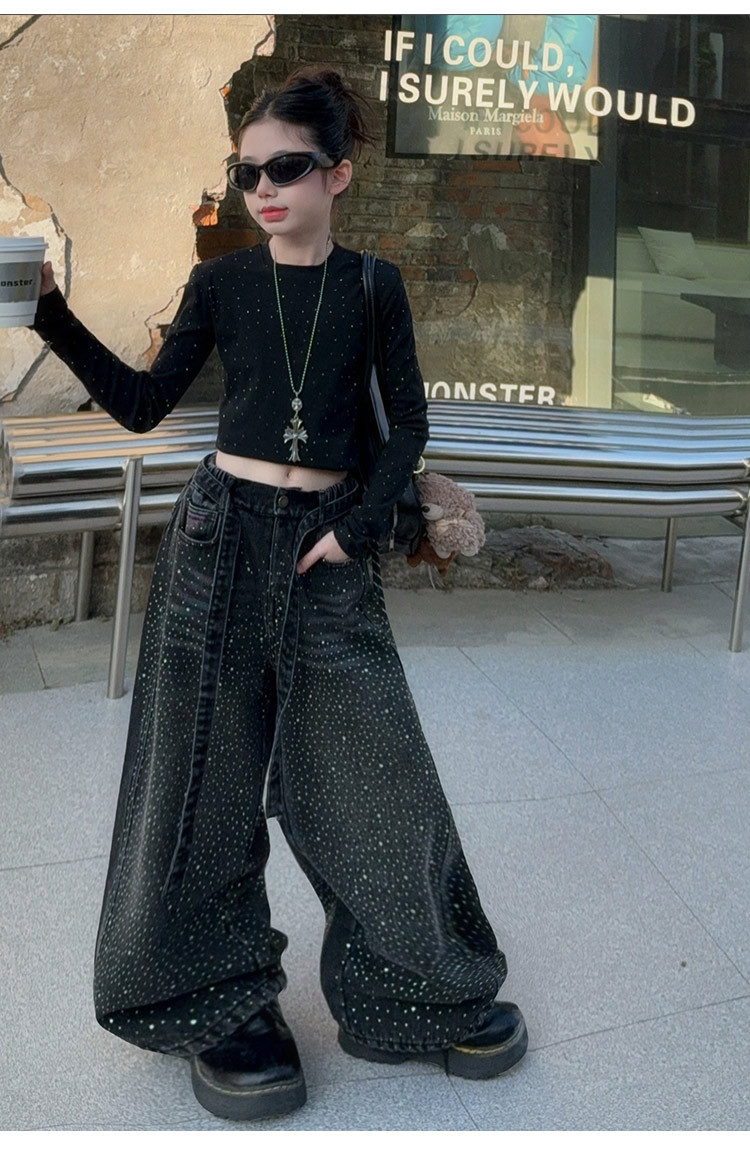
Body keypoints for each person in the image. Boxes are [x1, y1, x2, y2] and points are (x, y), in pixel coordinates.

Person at [29, 65, 528, 1123]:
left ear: (337, 173)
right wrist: (50, 316)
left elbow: (409, 423)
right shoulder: (220, 285)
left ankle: (415, 988)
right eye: (246, 170)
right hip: (219, 543)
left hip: (325, 551)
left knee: (375, 774)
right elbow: (144, 404)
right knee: (198, 779)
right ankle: (215, 1002)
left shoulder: (373, 286)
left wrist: (356, 528)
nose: (262, 187)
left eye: (285, 168)